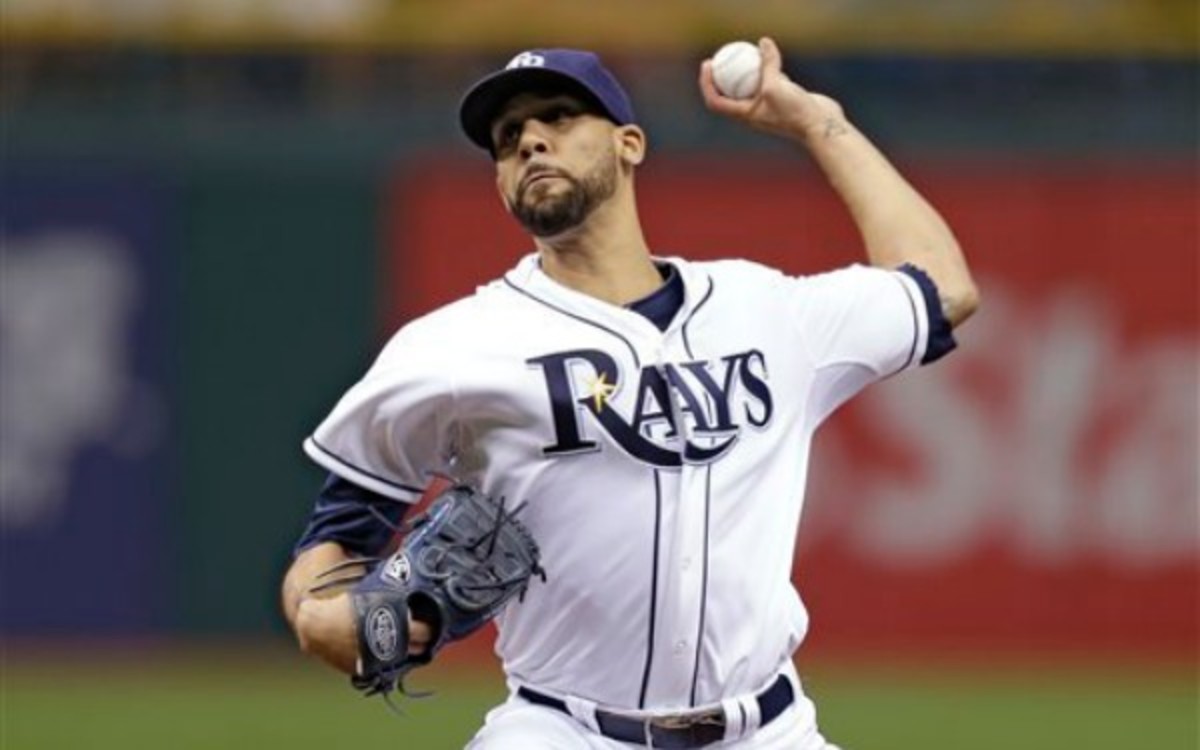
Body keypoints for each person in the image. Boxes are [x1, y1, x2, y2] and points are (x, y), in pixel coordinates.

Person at [281, 38, 978, 750]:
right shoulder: (452, 347)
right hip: (561, 729)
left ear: (630, 143)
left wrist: (818, 122)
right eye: (508, 137)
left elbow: (943, 288)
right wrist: (321, 616)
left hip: (771, 730)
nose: (531, 142)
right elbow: (335, 539)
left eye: (559, 116)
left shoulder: (766, 310)